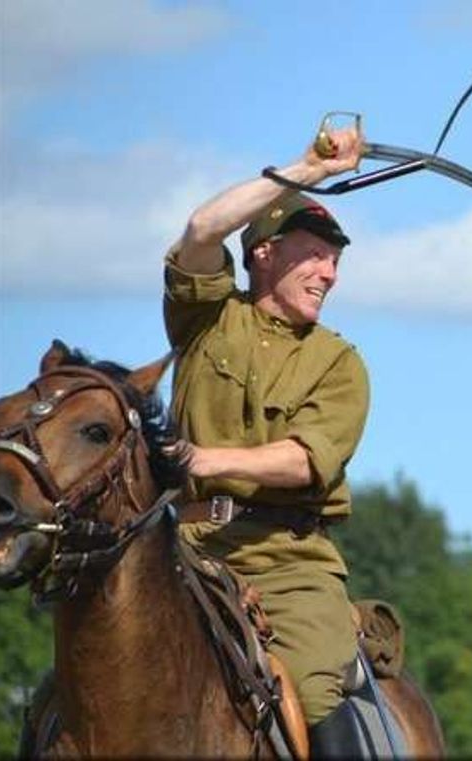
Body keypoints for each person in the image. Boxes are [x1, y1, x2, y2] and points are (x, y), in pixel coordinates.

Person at [162, 124, 372, 753]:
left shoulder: (339, 362)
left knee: (312, 691)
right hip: (179, 546)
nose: (329, 274)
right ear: (264, 253)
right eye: (316, 255)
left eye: (335, 261)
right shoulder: (206, 319)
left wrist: (204, 458)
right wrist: (305, 170)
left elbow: (305, 461)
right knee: (84, 671)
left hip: (286, 561)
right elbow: (202, 230)